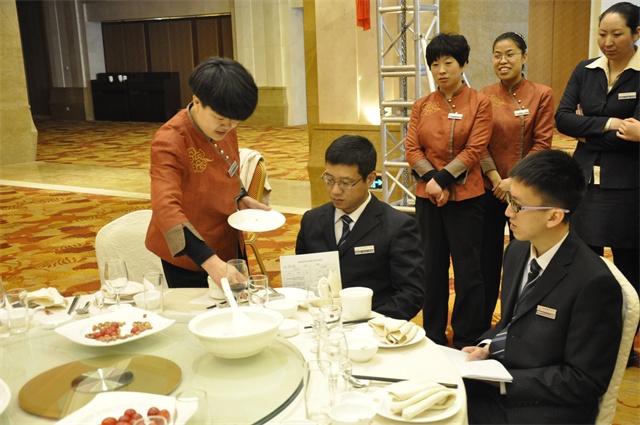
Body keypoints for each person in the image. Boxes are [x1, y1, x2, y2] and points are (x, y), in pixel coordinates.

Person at [462, 149, 623, 424]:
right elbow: (512, 323)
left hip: (546, 407)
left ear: (554, 217)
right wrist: (488, 346)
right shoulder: (517, 251)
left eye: (517, 205)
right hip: (503, 376)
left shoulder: (593, 282)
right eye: (509, 199)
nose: (507, 212)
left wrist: (503, 381)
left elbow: (584, 380)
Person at [145, 57, 270, 288]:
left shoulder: (224, 126)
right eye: (221, 118)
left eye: (235, 121)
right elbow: (165, 208)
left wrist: (241, 197)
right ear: (197, 101)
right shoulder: (170, 141)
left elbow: (227, 168)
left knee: (239, 302)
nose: (228, 126)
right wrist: (209, 261)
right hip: (191, 254)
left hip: (228, 238)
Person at [405, 33, 492, 348]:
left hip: (467, 198)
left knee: (468, 269)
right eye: (435, 64)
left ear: (463, 64)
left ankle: (467, 334)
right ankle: (433, 334)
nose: (441, 70)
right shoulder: (421, 105)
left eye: (448, 63)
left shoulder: (480, 102)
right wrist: (432, 181)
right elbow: (412, 149)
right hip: (428, 197)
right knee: (431, 267)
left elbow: (476, 148)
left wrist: (442, 180)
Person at [555, 2, 639, 303]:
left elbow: (633, 136)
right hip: (584, 182)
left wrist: (586, 131)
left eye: (617, 34)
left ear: (636, 33)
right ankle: (588, 329)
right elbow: (562, 118)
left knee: (630, 271)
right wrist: (610, 123)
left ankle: (627, 331)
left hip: (628, 188)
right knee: (583, 266)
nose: (607, 42)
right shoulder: (585, 69)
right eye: (602, 34)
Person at [296, 135, 425, 321]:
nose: (335, 190)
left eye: (345, 183)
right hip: (319, 322)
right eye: (329, 179)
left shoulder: (397, 226)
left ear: (370, 179)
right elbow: (302, 282)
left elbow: (411, 293)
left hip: (372, 326)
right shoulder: (312, 220)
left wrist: (369, 323)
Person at [479, 32, 554, 330]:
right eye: (497, 55)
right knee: (486, 260)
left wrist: (514, 181)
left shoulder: (541, 94)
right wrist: (496, 179)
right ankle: (483, 323)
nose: (503, 60)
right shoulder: (483, 95)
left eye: (510, 54)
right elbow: (479, 143)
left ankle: (519, 323)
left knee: (523, 258)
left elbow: (543, 143)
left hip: (527, 192)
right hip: (490, 188)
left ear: (524, 57)